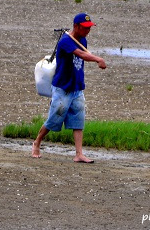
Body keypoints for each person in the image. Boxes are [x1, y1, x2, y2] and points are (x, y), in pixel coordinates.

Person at [32, 13, 107, 163]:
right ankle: (37, 143)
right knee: (54, 119)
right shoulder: (66, 42)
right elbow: (80, 54)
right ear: (76, 26)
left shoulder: (83, 40)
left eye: (89, 28)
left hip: (76, 87)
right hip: (62, 88)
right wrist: (98, 59)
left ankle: (79, 154)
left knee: (78, 121)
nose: (87, 31)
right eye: (84, 28)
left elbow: (81, 58)